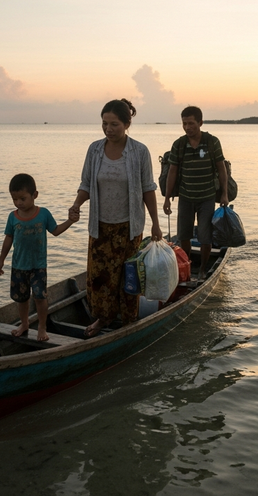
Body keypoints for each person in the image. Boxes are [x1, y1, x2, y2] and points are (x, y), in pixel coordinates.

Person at [69, 99, 163, 338]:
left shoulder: (139, 151)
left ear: (127, 124)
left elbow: (148, 189)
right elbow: (86, 184)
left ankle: (128, 323)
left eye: (114, 124)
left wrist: (155, 222)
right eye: (104, 124)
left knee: (127, 279)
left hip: (129, 227)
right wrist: (77, 204)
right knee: (99, 278)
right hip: (100, 227)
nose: (108, 129)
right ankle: (103, 319)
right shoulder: (95, 150)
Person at [0, 173, 78, 341]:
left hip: (38, 266)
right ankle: (24, 324)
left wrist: (70, 221)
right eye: (15, 199)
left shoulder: (43, 214)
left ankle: (42, 327)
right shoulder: (13, 217)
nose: (19, 203)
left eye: (23, 198)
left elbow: (55, 231)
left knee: (40, 297)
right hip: (19, 266)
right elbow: (8, 239)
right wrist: (1, 261)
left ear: (35, 195)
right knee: (22, 299)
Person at [162, 106, 228, 280]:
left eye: (191, 123)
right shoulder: (179, 144)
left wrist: (224, 194)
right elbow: (172, 172)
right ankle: (187, 266)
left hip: (207, 197)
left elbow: (221, 169)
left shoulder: (212, 142)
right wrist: (167, 198)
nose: (187, 127)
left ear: (200, 122)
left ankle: (203, 269)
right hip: (185, 197)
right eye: (184, 123)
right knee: (184, 235)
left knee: (205, 236)